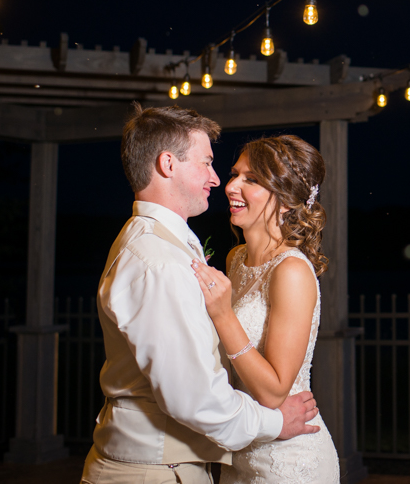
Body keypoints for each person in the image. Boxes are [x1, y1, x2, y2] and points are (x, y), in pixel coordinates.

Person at [81, 105, 320, 484]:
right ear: (168, 164)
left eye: (250, 178)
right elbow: (194, 397)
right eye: (210, 164)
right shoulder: (163, 260)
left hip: (266, 454)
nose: (219, 180)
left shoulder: (164, 246)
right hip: (165, 464)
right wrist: (274, 422)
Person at [191, 135, 340, 483]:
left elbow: (274, 391)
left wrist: (223, 314)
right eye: (235, 174)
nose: (231, 187)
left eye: (252, 180)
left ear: (287, 200)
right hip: (243, 447)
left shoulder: (291, 271)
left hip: (289, 460)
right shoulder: (236, 258)